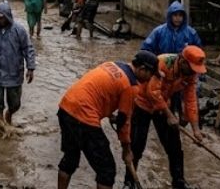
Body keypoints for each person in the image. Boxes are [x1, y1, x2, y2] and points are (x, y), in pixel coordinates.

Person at [57, 51, 160, 189]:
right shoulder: (131, 86)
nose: (150, 80)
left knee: (70, 159)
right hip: (84, 118)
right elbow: (124, 122)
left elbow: (100, 91)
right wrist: (126, 149)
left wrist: (110, 115)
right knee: (107, 171)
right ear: (142, 69)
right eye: (151, 75)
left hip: (66, 107)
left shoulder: (112, 64)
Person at [124, 46, 208, 189]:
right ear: (182, 61)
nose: (193, 72)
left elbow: (191, 100)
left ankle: (179, 182)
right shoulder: (162, 62)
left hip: (163, 105)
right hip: (142, 103)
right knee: (137, 146)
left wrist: (196, 130)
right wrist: (170, 115)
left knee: (175, 147)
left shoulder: (190, 74)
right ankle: (129, 181)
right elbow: (152, 92)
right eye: (192, 68)